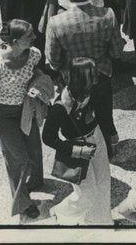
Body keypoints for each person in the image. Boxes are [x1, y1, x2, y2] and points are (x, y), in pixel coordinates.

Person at [45, 0, 123, 153]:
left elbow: (53, 60)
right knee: (104, 113)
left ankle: (85, 150)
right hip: (101, 74)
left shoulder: (56, 22)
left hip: (72, 78)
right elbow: (117, 51)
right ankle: (108, 148)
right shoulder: (108, 15)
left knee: (77, 117)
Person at [0, 20, 46, 221]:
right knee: (18, 159)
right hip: (5, 115)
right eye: (30, 36)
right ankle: (24, 204)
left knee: (34, 149)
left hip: (27, 109)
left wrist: (39, 87)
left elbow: (36, 74)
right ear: (15, 41)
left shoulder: (34, 54)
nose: (35, 38)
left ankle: (34, 183)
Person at [43, 58, 113, 224]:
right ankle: (60, 211)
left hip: (96, 136)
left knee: (104, 181)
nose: (97, 76)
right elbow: (47, 137)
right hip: (77, 146)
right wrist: (77, 150)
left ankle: (100, 221)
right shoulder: (60, 107)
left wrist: (111, 134)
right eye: (92, 74)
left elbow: (102, 113)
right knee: (87, 193)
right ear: (82, 79)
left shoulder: (93, 90)